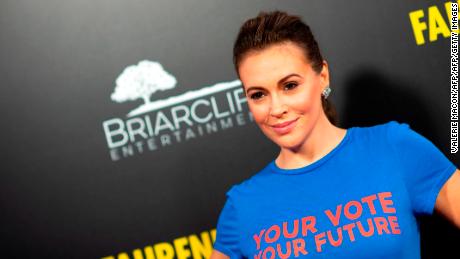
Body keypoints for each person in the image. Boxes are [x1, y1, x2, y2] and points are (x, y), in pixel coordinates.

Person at [210, 10, 460, 259]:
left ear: (322, 77)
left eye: (290, 86)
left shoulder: (393, 147)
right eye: (258, 95)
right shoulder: (242, 207)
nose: (276, 109)